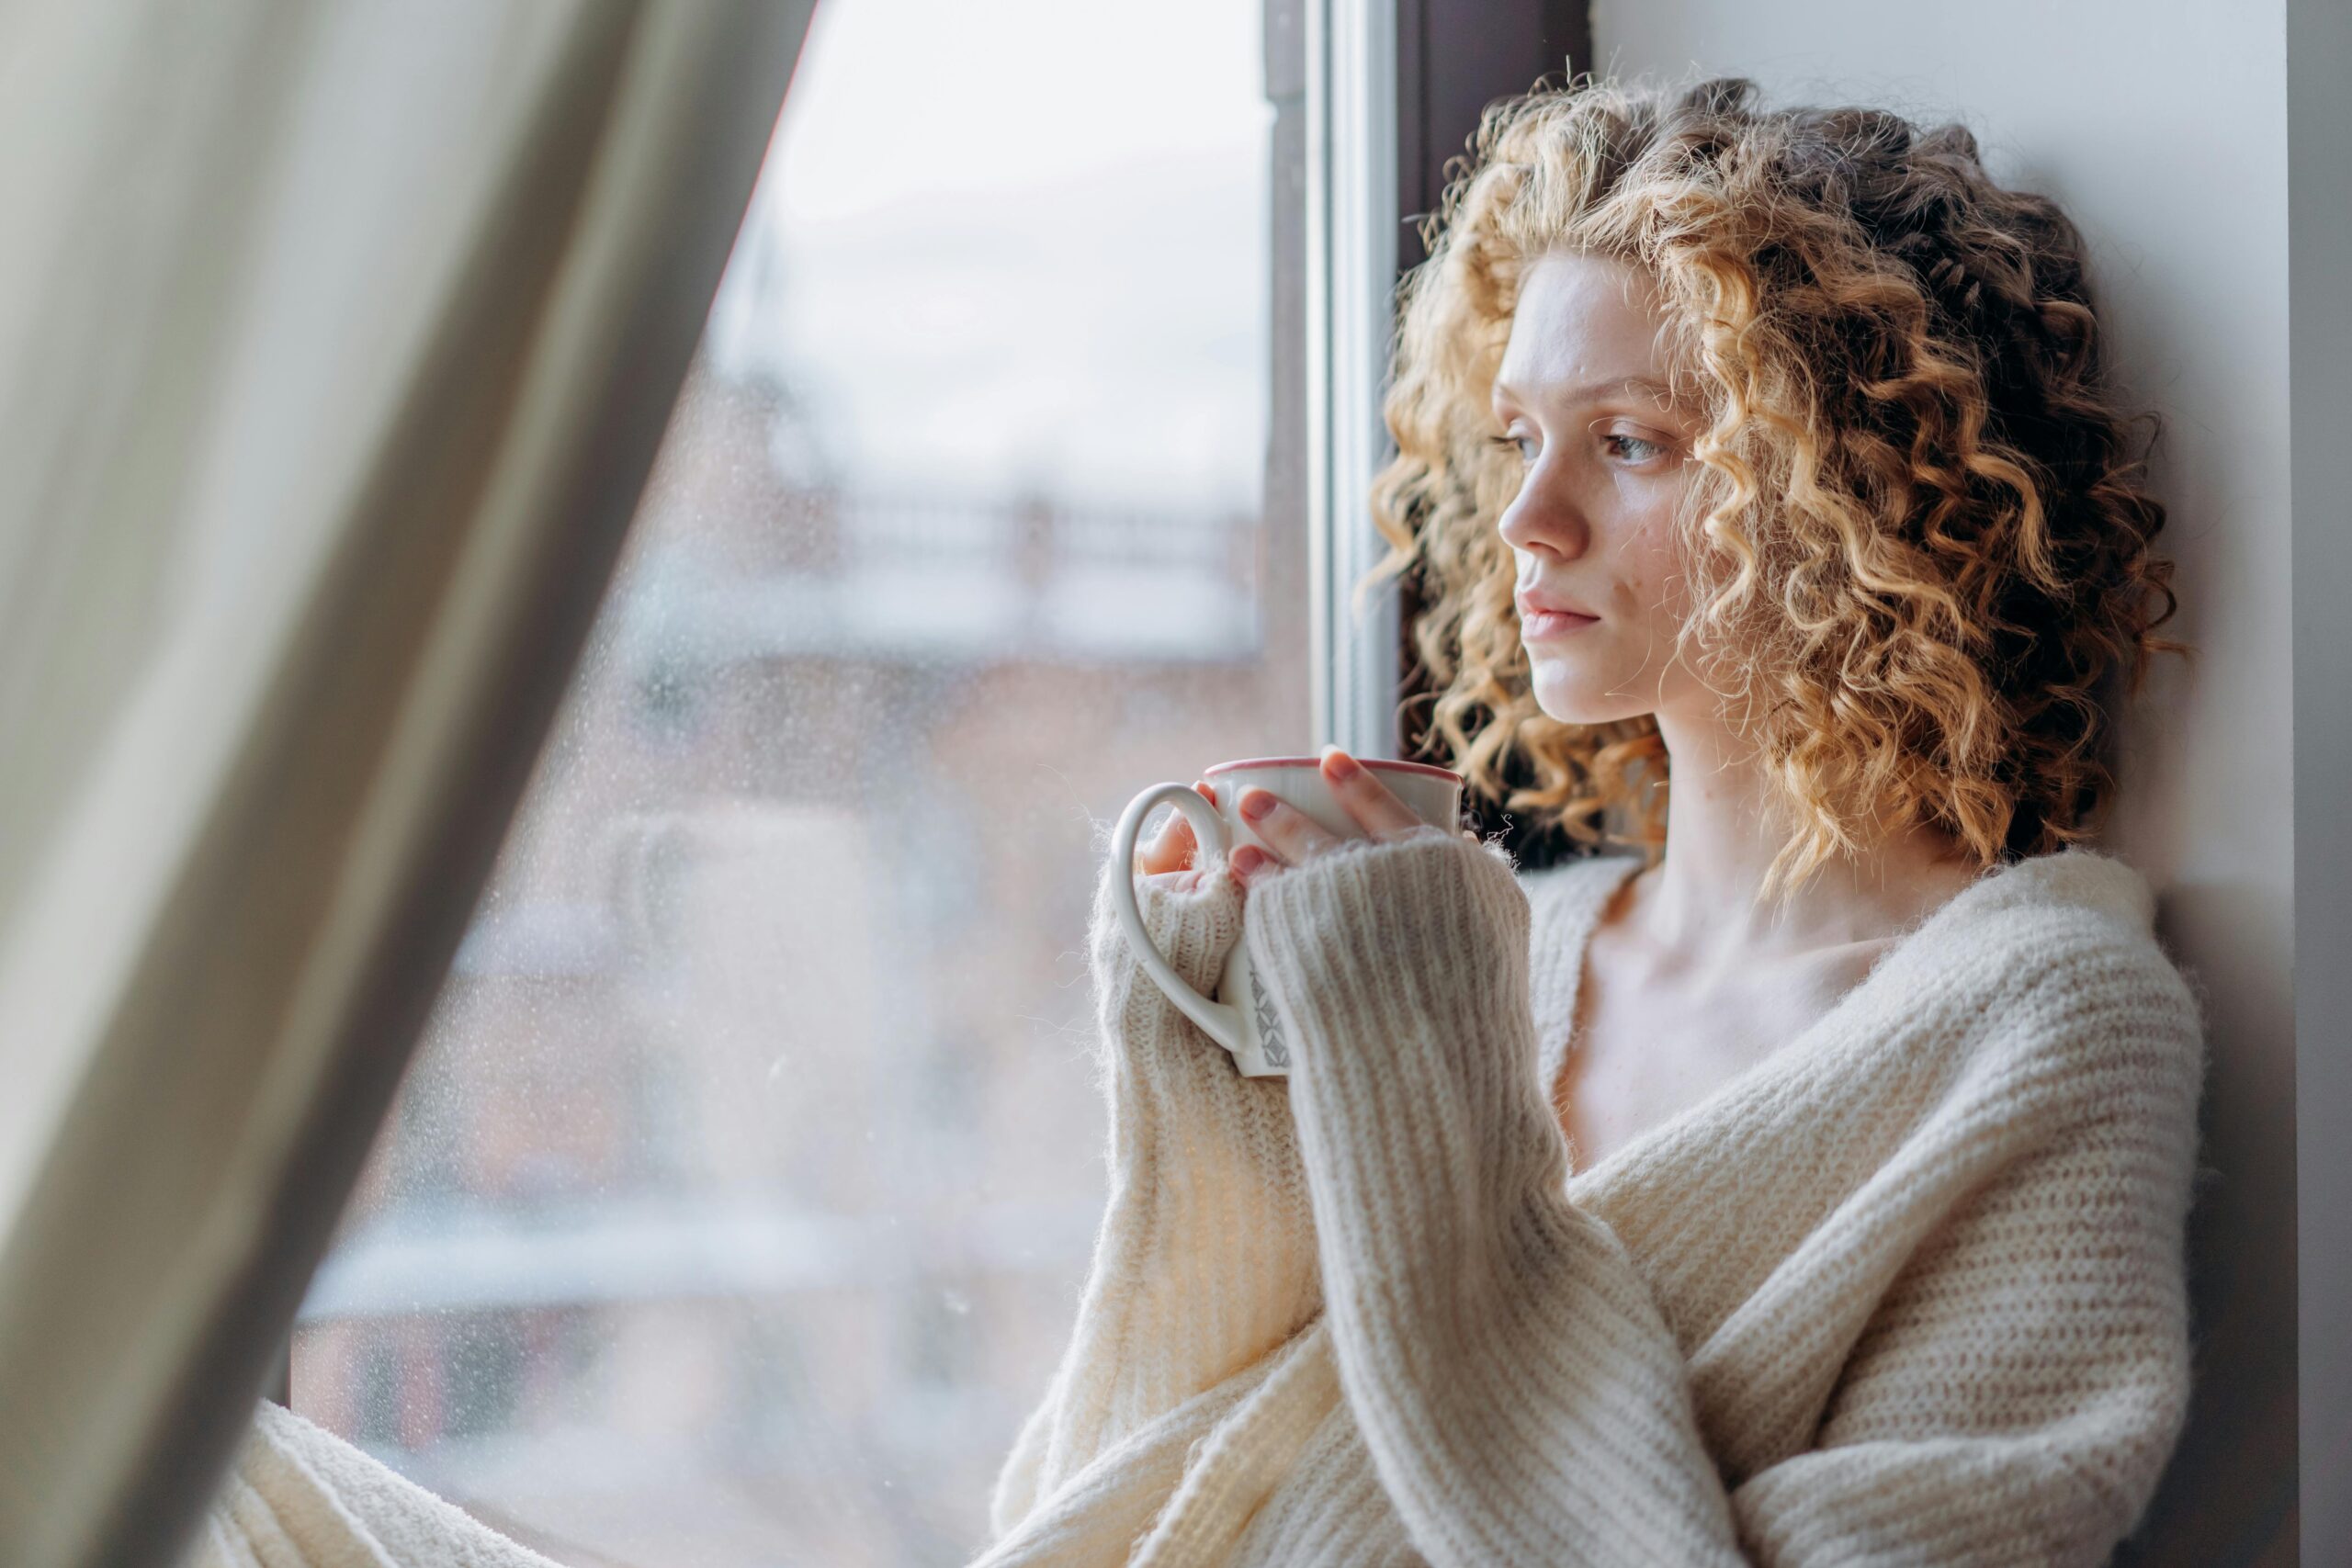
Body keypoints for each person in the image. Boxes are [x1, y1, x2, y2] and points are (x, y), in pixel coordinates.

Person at [979, 74, 2207, 1567]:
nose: (1527, 521)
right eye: (1515, 438)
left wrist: (1416, 1076)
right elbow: (1119, 1505)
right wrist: (1207, 1057)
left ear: (1850, 495)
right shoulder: (1508, 946)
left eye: (1627, 442)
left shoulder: (2043, 1034)